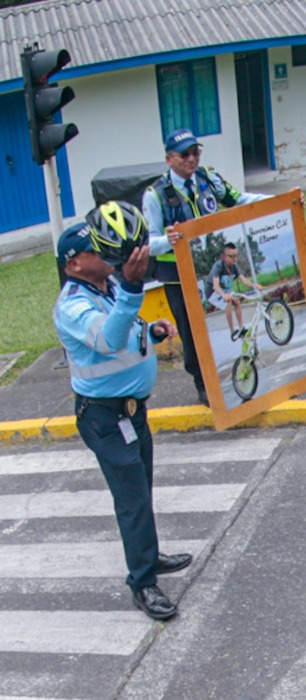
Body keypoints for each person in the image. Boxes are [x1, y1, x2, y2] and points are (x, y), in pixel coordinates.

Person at [55, 202, 193, 620]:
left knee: (141, 490)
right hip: (104, 417)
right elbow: (109, 339)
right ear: (75, 263)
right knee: (131, 499)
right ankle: (143, 583)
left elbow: (127, 327)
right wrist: (133, 288)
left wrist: (149, 329)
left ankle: (147, 555)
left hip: (131, 412)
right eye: (96, 251)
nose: (106, 255)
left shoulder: (108, 284)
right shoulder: (73, 305)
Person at [142, 128, 268, 402]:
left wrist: (282, 202)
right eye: (184, 155)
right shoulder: (155, 195)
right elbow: (149, 243)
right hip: (177, 275)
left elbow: (239, 200)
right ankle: (203, 385)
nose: (191, 159)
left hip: (208, 265)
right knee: (191, 332)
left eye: (195, 152)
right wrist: (169, 239)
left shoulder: (208, 178)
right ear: (169, 159)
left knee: (220, 321)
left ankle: (233, 374)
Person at [206, 243, 264, 344]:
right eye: (232, 256)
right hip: (213, 292)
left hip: (225, 291)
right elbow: (215, 285)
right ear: (225, 256)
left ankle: (241, 328)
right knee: (228, 302)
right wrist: (224, 295)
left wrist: (255, 286)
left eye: (236, 256)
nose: (235, 259)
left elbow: (243, 279)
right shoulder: (218, 266)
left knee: (236, 300)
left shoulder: (234, 267)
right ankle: (232, 331)